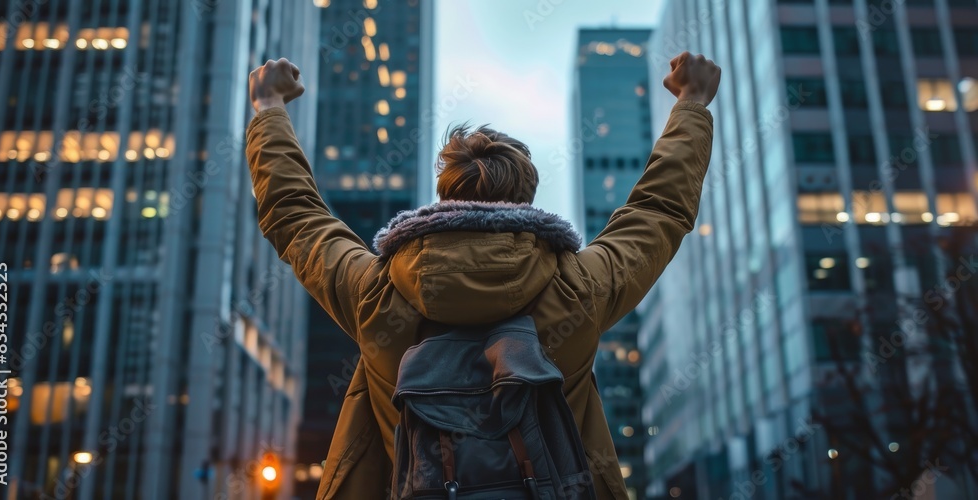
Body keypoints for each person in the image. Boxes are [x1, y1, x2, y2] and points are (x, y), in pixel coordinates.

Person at [246, 51, 720, 500]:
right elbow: (658, 210)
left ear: (444, 197)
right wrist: (691, 103)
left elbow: (294, 213)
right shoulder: (580, 289)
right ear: (527, 200)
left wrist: (269, 107)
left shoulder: (377, 292)